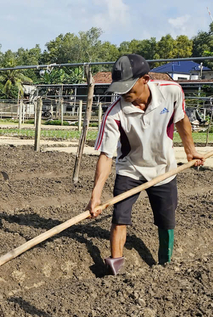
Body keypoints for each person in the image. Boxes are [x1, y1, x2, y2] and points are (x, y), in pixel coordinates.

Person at [86, 54, 205, 275]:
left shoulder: (171, 92)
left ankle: (165, 264)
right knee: (119, 217)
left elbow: (181, 120)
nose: (124, 94)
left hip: (164, 168)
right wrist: (96, 195)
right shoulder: (114, 114)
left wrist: (191, 151)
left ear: (145, 79)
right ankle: (115, 267)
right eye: (120, 89)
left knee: (166, 220)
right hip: (130, 169)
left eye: (128, 88)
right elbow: (106, 156)